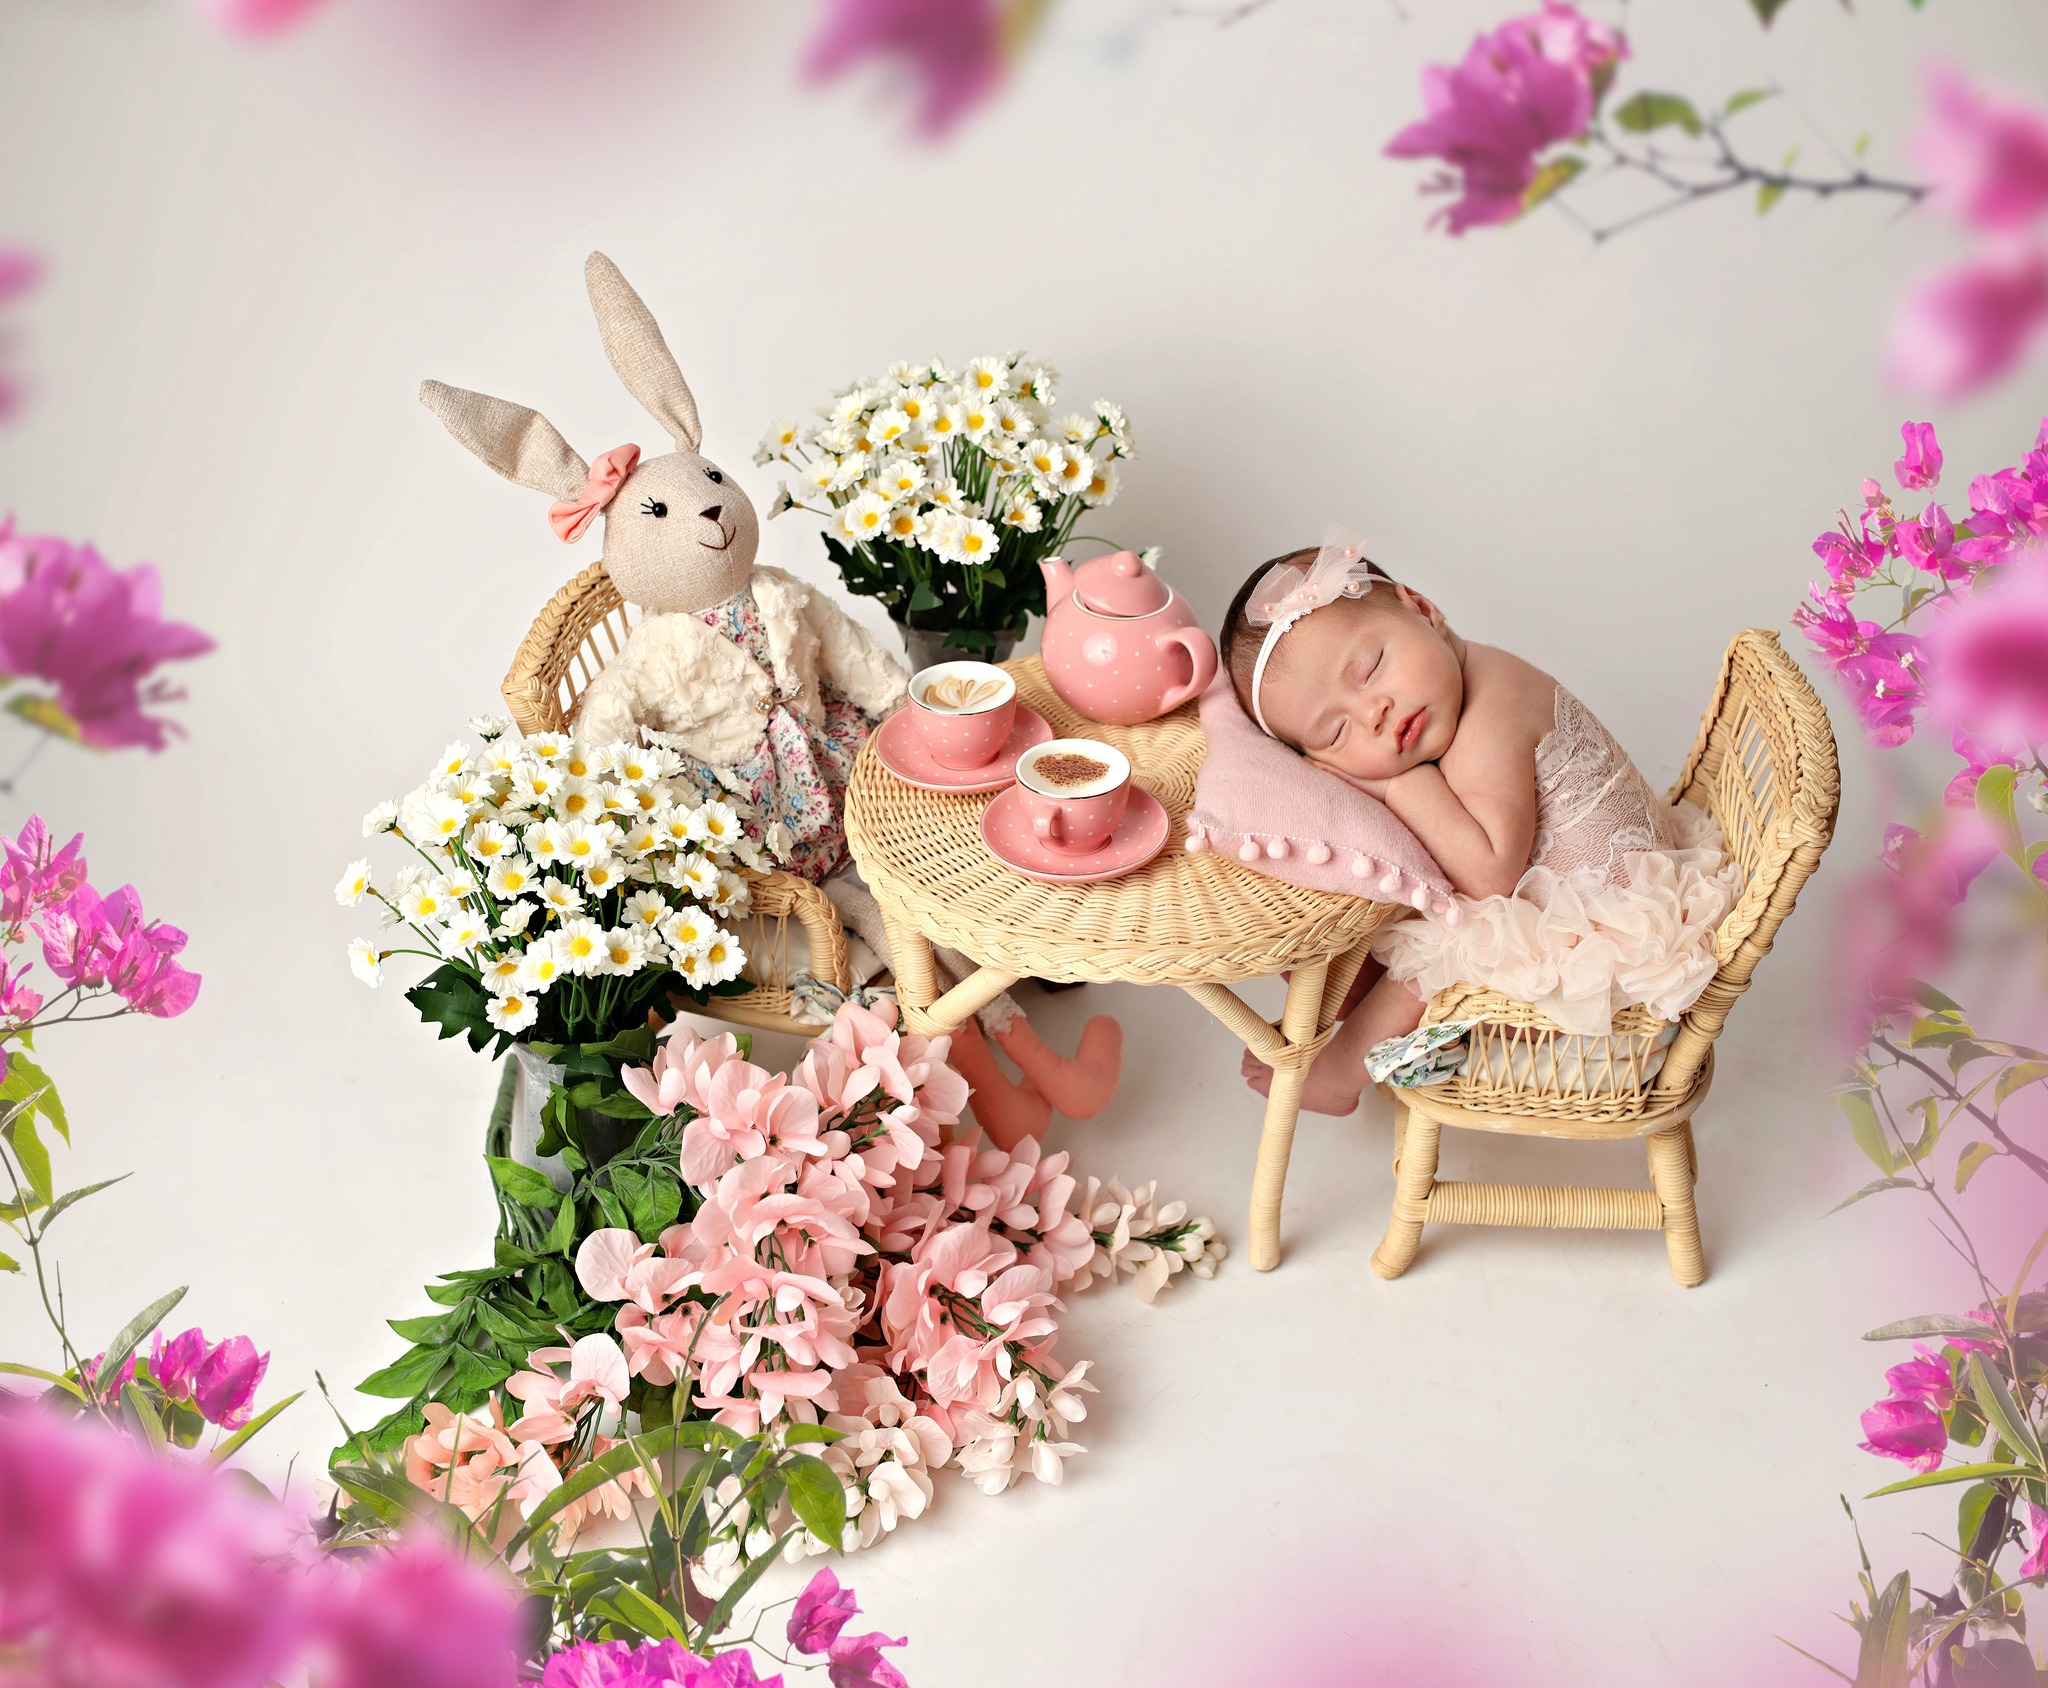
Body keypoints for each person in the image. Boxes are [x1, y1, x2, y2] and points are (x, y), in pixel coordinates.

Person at [1217, 532, 1740, 1115]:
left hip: (1609, 972)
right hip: (1592, 897)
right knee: (1387, 910)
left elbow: (1489, 875)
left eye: (1371, 669)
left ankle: (1342, 1075)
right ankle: (1371, 1024)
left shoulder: (1489, 713)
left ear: (1422, 609)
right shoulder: (1468, 677)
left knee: (1444, 942)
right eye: (1335, 733)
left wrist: (1398, 784)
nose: (1373, 713)